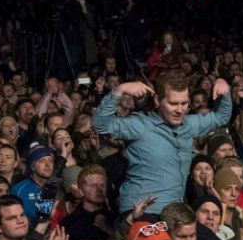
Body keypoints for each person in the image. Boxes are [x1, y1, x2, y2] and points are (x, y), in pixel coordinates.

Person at [93, 76, 235, 213]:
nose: (180, 110)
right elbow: (100, 125)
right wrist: (119, 91)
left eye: (184, 103)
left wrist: (223, 85)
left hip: (173, 211)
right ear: (157, 100)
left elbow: (221, 117)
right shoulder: (140, 125)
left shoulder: (189, 124)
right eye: (173, 104)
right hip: (141, 212)